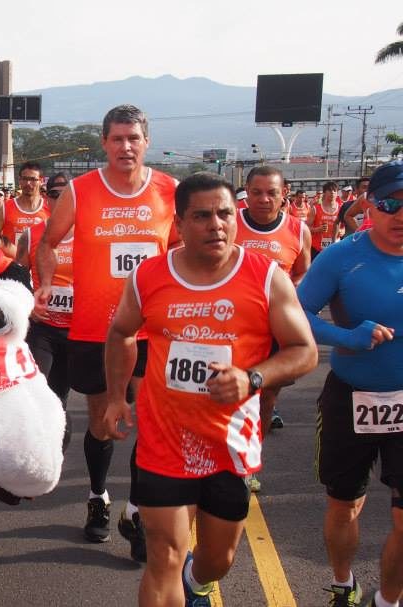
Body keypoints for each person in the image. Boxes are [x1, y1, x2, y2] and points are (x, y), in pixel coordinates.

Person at [104, 172, 317, 607]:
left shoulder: (265, 277)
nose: (216, 224)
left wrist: (251, 378)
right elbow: (121, 332)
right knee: (162, 556)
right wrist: (114, 397)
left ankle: (197, 580)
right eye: (201, 216)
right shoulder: (149, 277)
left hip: (229, 445)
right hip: (164, 443)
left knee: (218, 560)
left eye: (224, 214)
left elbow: (304, 350)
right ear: (179, 224)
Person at [36, 104, 180, 562]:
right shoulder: (80, 191)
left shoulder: (169, 190)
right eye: (116, 138)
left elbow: (182, 249)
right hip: (94, 329)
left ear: (146, 141)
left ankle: (136, 513)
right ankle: (98, 497)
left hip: (150, 330)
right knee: (103, 423)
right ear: (104, 143)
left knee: (147, 425)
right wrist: (43, 283)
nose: (125, 146)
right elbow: (46, 243)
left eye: (133, 138)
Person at [298, 160, 403, 607]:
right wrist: (346, 337)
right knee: (344, 505)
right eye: (390, 203)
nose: (401, 214)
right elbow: (295, 313)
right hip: (350, 398)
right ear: (368, 208)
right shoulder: (343, 257)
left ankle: (389, 599)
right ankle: (343, 583)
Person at [235, 166, 312, 437]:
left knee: (266, 397)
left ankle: (252, 463)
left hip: (275, 326)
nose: (263, 199)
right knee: (227, 396)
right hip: (232, 323)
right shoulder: (230, 222)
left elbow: (303, 271)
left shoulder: (298, 230)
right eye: (256, 192)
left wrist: (288, 288)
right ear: (247, 193)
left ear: (284, 194)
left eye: (271, 193)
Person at [19, 172, 73, 450]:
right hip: (43, 329)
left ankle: (54, 453)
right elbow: (14, 278)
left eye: (67, 194)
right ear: (46, 197)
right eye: (54, 194)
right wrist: (28, 306)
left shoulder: (91, 235)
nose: (60, 199)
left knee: (59, 397)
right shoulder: (31, 235)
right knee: (36, 392)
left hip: (76, 331)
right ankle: (33, 452)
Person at [0, 161, 50, 255]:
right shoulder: (6, 208)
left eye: (33, 179)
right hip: (13, 266)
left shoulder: (49, 208)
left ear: (41, 181)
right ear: (19, 180)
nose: (28, 183)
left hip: (38, 265)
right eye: (25, 179)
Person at [308, 181, 342, 259]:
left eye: (335, 191)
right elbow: (306, 227)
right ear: (324, 193)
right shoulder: (315, 209)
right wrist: (317, 229)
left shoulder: (341, 208)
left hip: (335, 246)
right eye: (330, 190)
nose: (332, 193)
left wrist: (342, 231)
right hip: (317, 248)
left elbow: (344, 227)